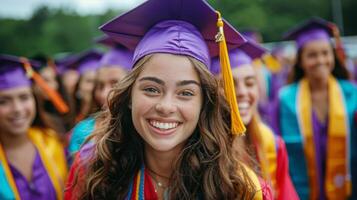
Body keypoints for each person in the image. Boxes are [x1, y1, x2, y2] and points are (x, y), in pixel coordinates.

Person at [65, 0, 273, 199]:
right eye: (151, 89)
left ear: (204, 104)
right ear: (129, 96)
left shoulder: (242, 190)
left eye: (186, 93)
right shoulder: (91, 173)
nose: (166, 106)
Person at [274, 17, 357, 199]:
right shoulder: (286, 99)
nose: (320, 60)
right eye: (312, 55)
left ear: (332, 56)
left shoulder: (352, 94)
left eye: (325, 53)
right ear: (301, 61)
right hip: (302, 192)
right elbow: (276, 148)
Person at [211, 41, 299, 200]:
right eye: (229, 84)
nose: (242, 92)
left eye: (250, 83)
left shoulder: (273, 144)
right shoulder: (203, 155)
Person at [0, 54, 68, 200]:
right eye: (3, 101)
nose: (17, 109)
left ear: (34, 99)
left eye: (24, 97)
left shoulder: (52, 141)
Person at [67, 37, 133, 156]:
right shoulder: (83, 131)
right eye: (100, 85)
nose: (104, 94)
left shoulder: (146, 131)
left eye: (115, 83)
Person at [67, 50, 102, 123]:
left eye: (97, 82)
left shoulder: (103, 120)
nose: (93, 87)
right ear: (79, 85)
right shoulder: (67, 116)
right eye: (89, 81)